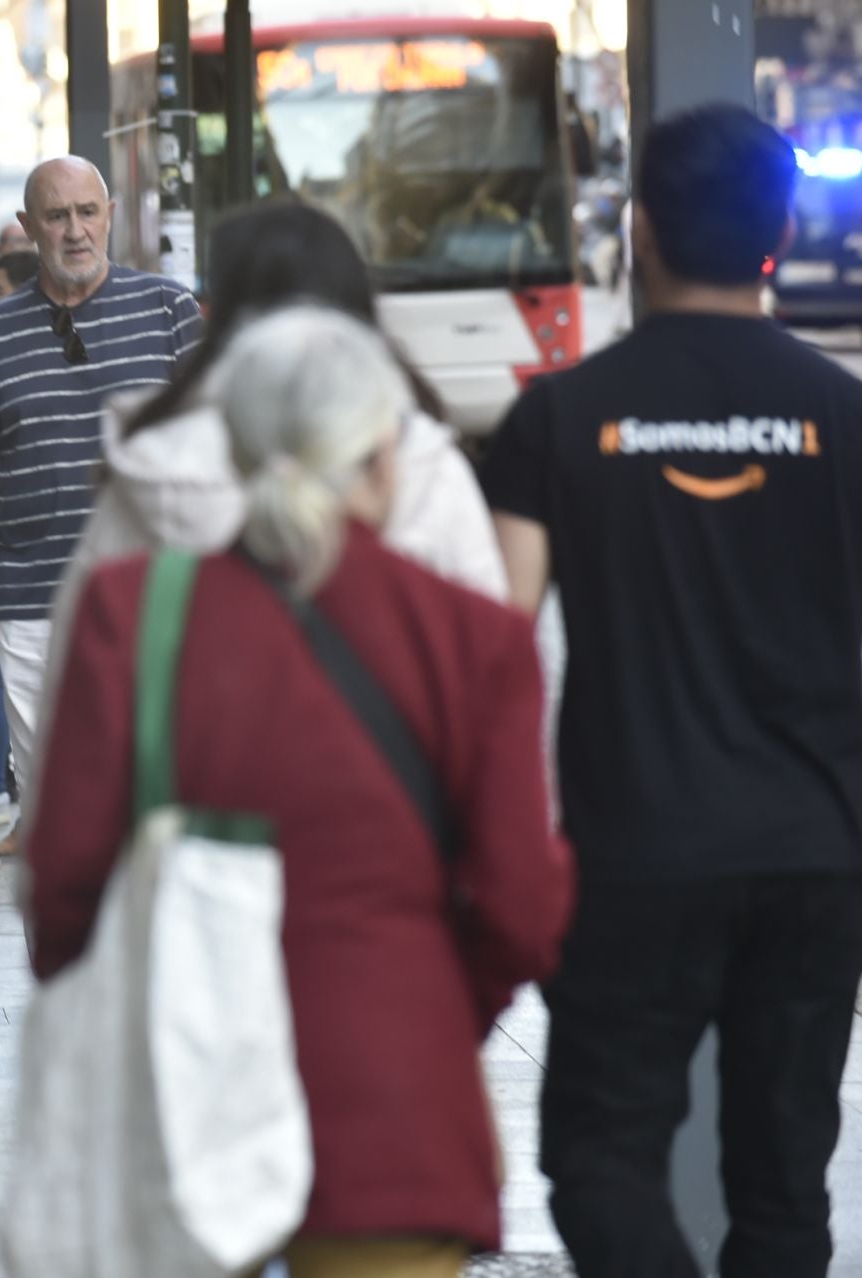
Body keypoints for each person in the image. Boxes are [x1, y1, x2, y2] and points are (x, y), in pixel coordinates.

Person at [28, 306, 573, 1278]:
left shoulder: (135, 613)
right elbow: (524, 909)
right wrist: (434, 1004)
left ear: (233, 450)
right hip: (391, 1109)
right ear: (380, 454)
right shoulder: (472, 638)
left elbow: (65, 883)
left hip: (178, 1113)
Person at [484, 104, 862, 1278]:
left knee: (601, 1158)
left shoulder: (558, 418)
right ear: (783, 229)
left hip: (634, 856)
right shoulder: (849, 417)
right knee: (785, 1185)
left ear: (638, 227)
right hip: (817, 856)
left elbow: (498, 643)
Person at [43, 202, 507, 692]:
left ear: (218, 316)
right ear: (361, 310)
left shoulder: (149, 470)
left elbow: (73, 699)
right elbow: (493, 671)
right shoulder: (424, 465)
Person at [0, 156, 202, 820]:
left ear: (109, 216)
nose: (75, 231)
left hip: (155, 599)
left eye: (87, 212)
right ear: (27, 227)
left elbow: (213, 454)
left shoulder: (171, 311)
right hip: (32, 609)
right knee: (57, 816)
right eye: (57, 216)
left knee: (154, 807)